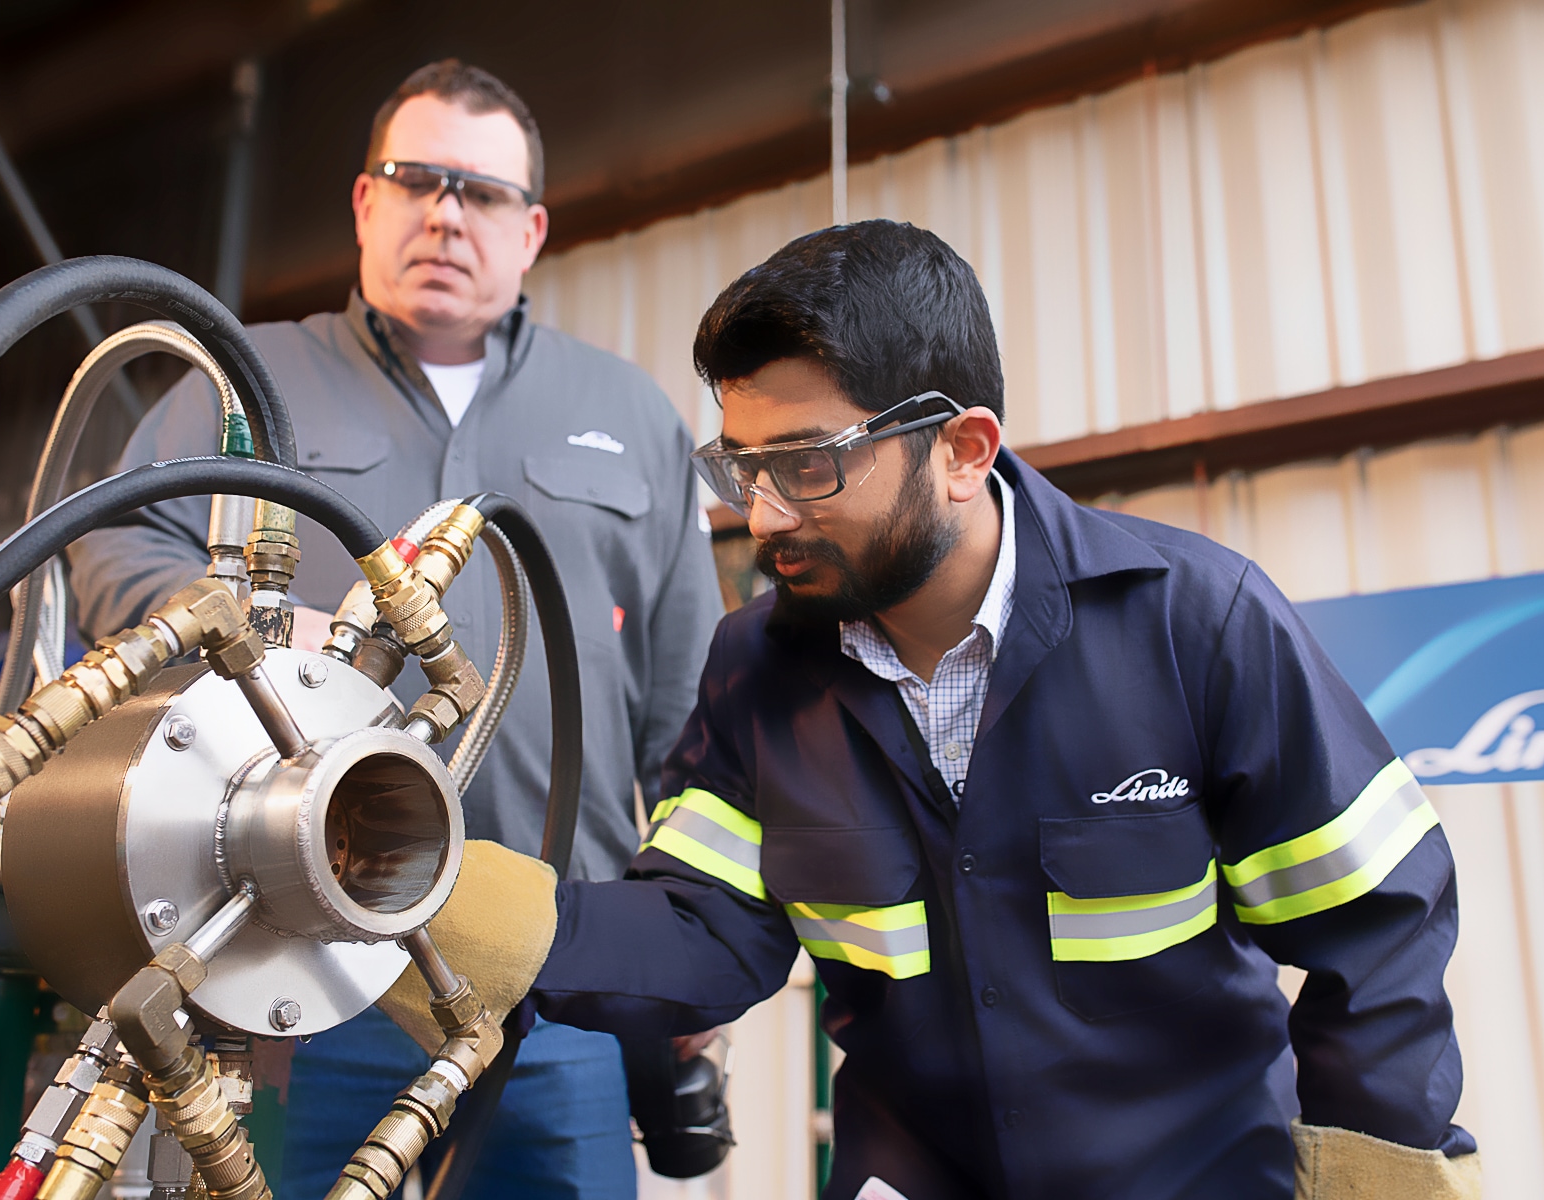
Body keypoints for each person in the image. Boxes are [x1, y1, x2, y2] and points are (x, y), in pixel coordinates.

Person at [395, 220, 1484, 1199]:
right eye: (741, 468)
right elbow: (702, 928)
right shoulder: (755, 670)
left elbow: (1377, 927)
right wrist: (427, 900)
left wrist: (1374, 1173)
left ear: (963, 451)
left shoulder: (1196, 622)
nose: (764, 515)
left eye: (809, 465)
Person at [67, 59, 722, 1198]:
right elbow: (116, 547)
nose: (446, 214)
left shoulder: (630, 416)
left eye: (482, 193)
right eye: (415, 180)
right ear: (367, 202)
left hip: (549, 966)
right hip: (297, 961)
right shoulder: (245, 381)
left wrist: (688, 949)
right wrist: (265, 635)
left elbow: (691, 715)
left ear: (532, 231)